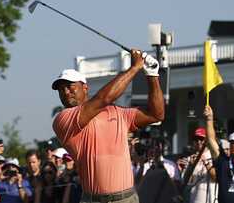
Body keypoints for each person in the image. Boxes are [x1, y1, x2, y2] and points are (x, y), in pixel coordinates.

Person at [50, 48, 165, 203]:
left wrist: (152, 75)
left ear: (85, 87)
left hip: (126, 198)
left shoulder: (117, 112)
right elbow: (104, 98)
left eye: (70, 86)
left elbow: (156, 114)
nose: (65, 91)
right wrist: (135, 68)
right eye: (60, 89)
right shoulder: (63, 119)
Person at [177, 127, 215, 203]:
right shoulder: (189, 158)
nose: (198, 142)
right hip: (194, 199)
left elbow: (216, 178)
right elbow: (187, 183)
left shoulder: (213, 157)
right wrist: (182, 169)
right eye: (196, 139)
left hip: (210, 199)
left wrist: (205, 162)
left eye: (201, 139)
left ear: (206, 141)